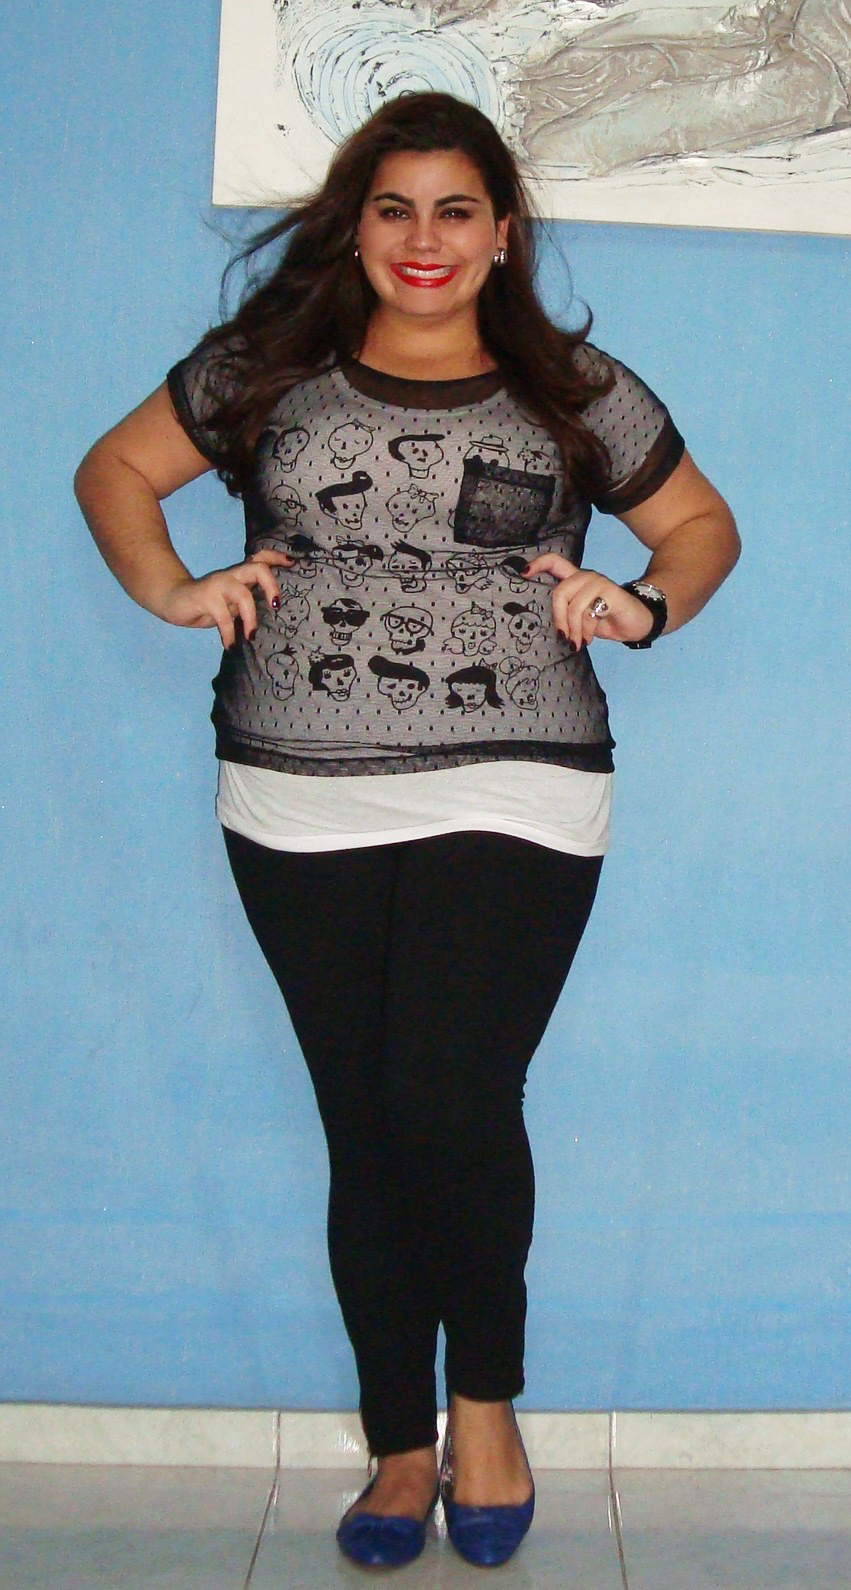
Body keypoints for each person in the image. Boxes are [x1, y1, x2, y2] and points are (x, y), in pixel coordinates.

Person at [74, 91, 739, 1570]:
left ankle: (485, 1406)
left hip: (518, 779)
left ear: (502, 232)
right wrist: (175, 588)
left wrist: (642, 605)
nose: (423, 238)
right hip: (292, 791)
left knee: (448, 1097)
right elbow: (111, 472)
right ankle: (399, 1441)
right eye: (394, 207)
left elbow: (704, 527)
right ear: (357, 225)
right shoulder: (266, 371)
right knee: (363, 1124)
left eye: (455, 209)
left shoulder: (574, 389)